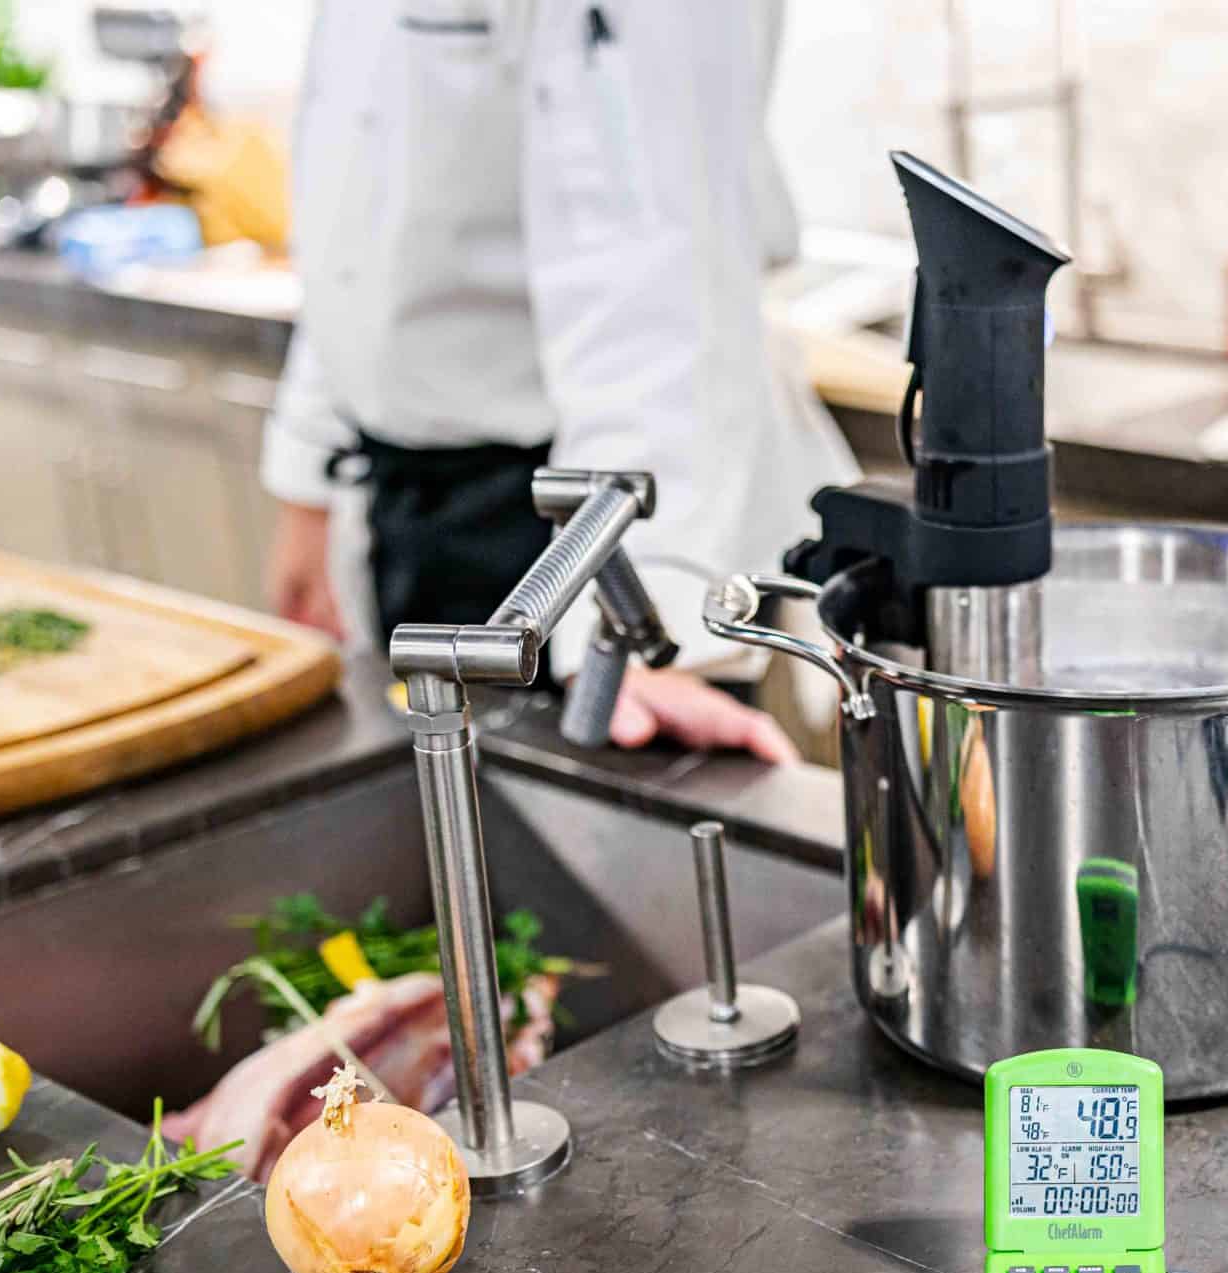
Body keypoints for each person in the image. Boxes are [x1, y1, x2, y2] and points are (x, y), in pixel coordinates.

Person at [259, 0, 853, 758]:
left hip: (566, 516)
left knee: (587, 850)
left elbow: (659, 264)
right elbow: (356, 222)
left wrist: (644, 621)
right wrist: (307, 478)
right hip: (411, 502)